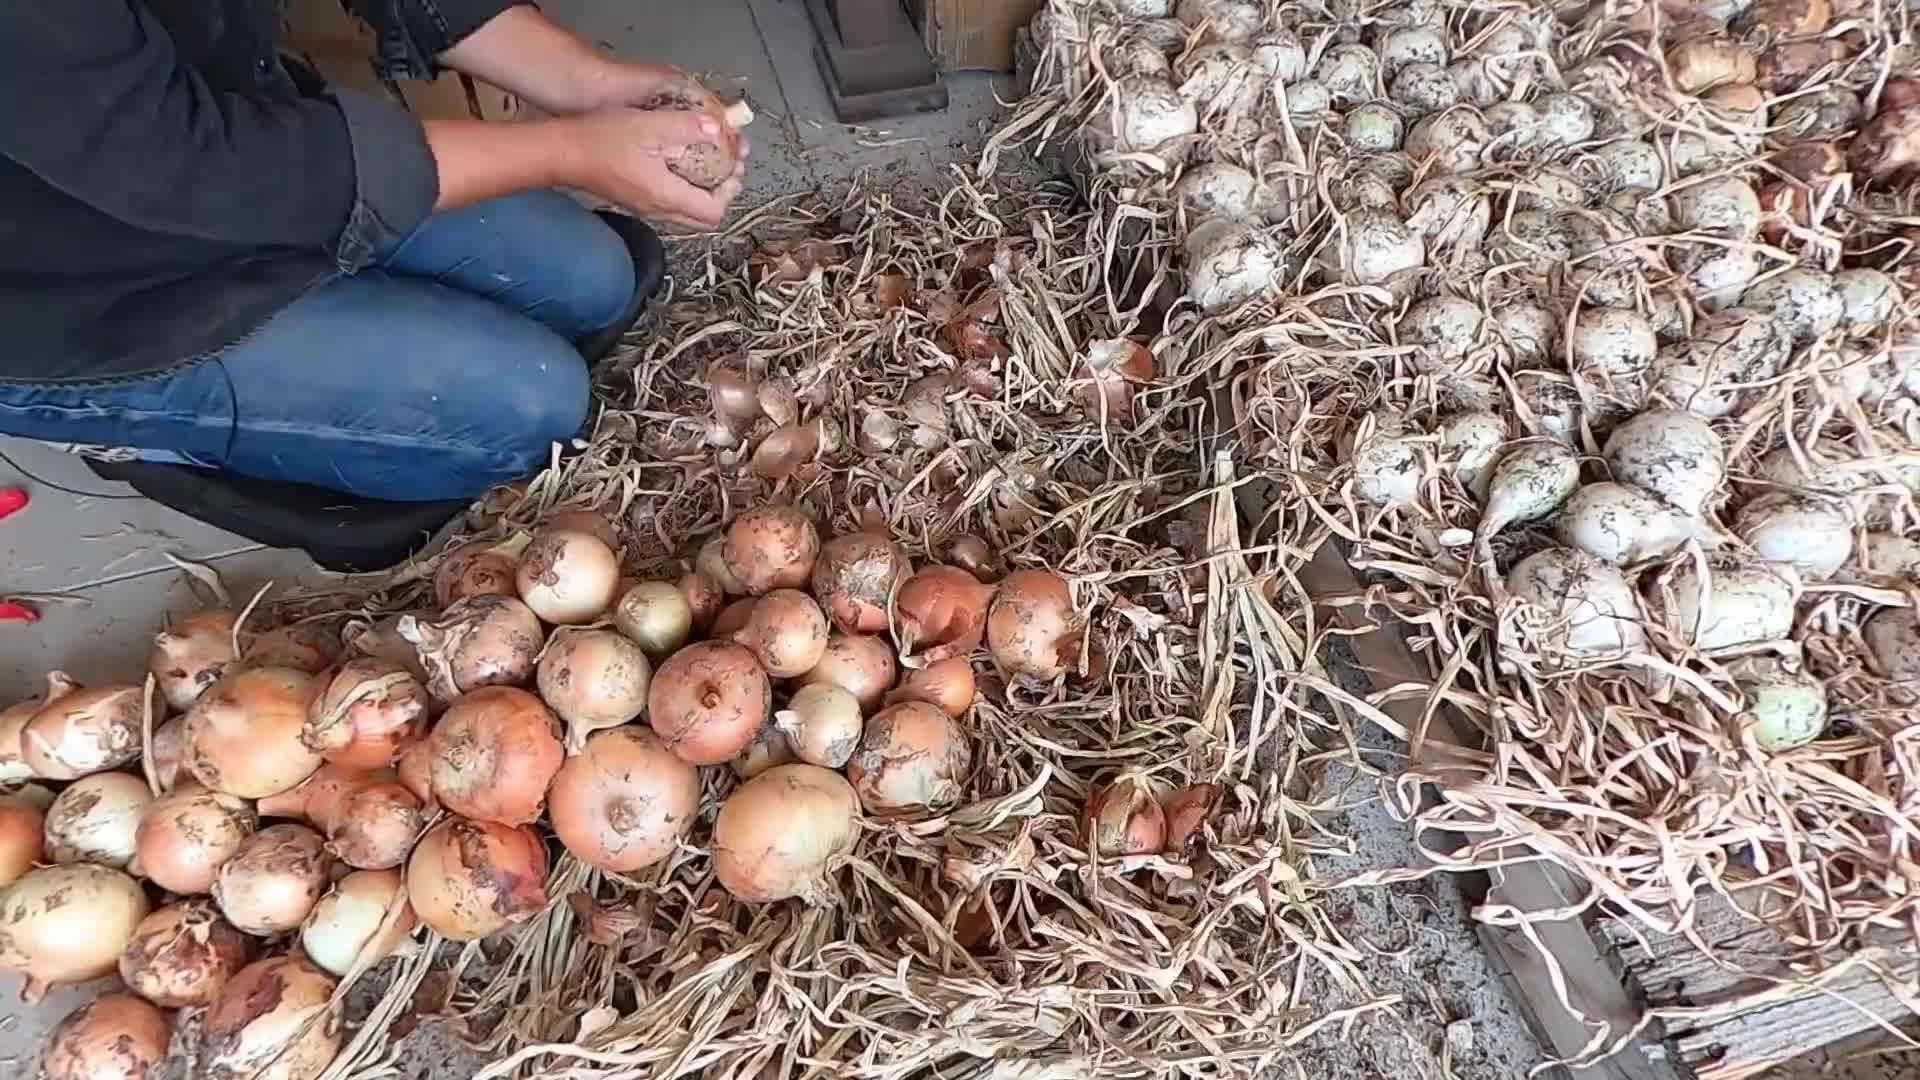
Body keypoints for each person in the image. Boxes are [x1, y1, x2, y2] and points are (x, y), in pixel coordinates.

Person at [0, 1, 745, 518]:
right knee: (529, 410)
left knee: (593, 280)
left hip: (223, 128)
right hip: (78, 287)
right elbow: (191, 162)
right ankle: (136, 423)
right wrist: (571, 151)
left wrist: (590, 85)